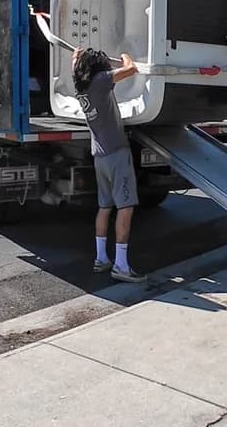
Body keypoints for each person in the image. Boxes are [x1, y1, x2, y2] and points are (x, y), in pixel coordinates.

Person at [72, 47, 146, 283]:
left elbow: (76, 66)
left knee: (105, 207)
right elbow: (131, 68)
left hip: (100, 156)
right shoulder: (101, 81)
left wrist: (76, 56)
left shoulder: (81, 87)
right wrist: (125, 54)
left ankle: (101, 258)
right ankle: (121, 266)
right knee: (125, 207)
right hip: (116, 153)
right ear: (98, 68)